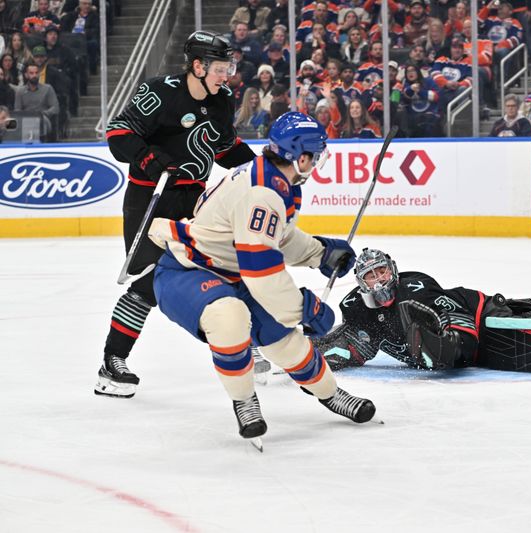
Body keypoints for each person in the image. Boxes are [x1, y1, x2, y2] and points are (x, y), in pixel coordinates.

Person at [147, 112, 375, 444]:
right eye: (317, 154)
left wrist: (319, 253)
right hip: (187, 271)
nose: (318, 161)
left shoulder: (275, 180)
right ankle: (244, 399)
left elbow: (273, 238)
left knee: (283, 341)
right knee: (229, 317)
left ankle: (330, 393)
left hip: (232, 272)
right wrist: (304, 310)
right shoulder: (264, 193)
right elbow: (262, 273)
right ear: (300, 156)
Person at [94, 31, 257, 399]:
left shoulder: (223, 100)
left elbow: (225, 147)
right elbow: (119, 133)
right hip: (150, 199)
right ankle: (112, 364)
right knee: (148, 284)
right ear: (198, 66)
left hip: (194, 201)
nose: (226, 75)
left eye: (228, 67)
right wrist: (150, 159)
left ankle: (251, 345)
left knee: (227, 268)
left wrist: (263, 171)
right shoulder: (160, 91)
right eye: (219, 68)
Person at [315, 249, 531, 377]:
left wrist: (448, 348)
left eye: (382, 272)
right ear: (361, 282)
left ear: (393, 270)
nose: (379, 280)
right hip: (466, 349)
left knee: (525, 335)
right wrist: (305, 351)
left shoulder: (415, 287)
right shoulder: (356, 307)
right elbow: (354, 345)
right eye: (371, 276)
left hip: (476, 317)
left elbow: (460, 330)